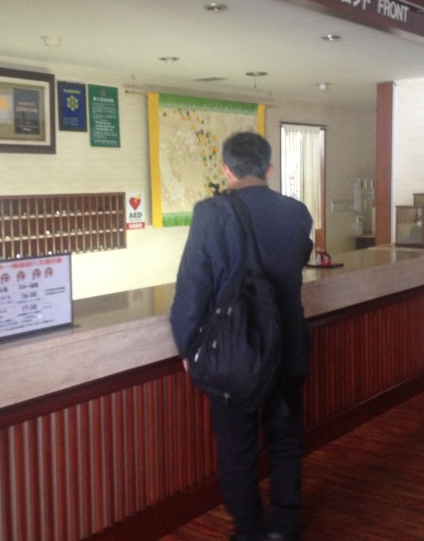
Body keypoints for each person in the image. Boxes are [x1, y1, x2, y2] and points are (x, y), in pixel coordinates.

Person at [170, 131, 314, 541]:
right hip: (287, 346)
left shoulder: (210, 213)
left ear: (226, 170)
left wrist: (188, 348)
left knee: (237, 448)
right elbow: (297, 259)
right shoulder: (297, 212)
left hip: (235, 352)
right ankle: (284, 525)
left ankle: (249, 530)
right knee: (285, 439)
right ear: (269, 168)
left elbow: (192, 289)